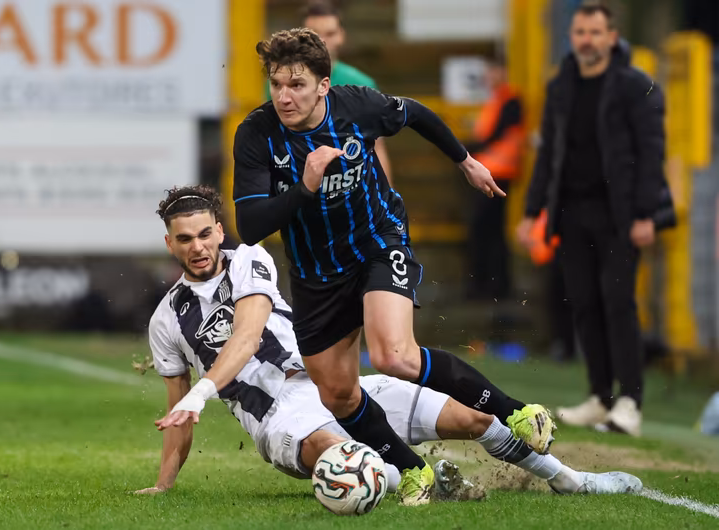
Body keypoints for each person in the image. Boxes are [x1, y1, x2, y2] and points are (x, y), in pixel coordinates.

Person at [136, 186, 642, 500]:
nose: (198, 247)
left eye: (205, 234)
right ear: (169, 244)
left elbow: (246, 337)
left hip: (335, 384)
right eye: (184, 239)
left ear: (218, 230)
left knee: (475, 420)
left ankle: (570, 479)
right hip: (279, 420)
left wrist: (202, 394)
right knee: (350, 463)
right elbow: (176, 415)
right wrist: (163, 483)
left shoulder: (249, 259)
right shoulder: (167, 320)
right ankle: (427, 483)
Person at [232, 27, 555, 504]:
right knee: (337, 396)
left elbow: (416, 113)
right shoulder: (256, 134)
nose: (284, 96)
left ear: (324, 85)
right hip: (317, 273)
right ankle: (412, 470)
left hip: (377, 242)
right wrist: (305, 186)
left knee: (394, 356)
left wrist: (465, 161)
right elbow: (251, 226)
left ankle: (516, 413)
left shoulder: (357, 105)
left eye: (296, 85)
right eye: (277, 84)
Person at [516, 3, 666, 437]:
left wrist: (645, 214)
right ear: (572, 37)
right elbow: (548, 154)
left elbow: (651, 154)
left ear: (612, 37)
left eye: (595, 32)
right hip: (571, 213)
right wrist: (532, 212)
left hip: (620, 216)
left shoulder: (636, 85)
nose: (586, 39)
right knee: (584, 305)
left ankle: (630, 402)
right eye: (580, 31)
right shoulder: (560, 85)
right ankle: (600, 396)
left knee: (619, 305)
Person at [300, 0, 394, 184]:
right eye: (314, 34)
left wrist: (389, 201)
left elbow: (377, 147)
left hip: (352, 187)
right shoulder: (281, 85)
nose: (322, 41)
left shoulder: (362, 84)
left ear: (341, 36)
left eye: (330, 33)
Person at [465, 56, 524, 300]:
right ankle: (492, 286)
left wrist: (464, 150)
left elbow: (491, 136)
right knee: (489, 230)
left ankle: (492, 286)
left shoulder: (509, 100)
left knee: (487, 230)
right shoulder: (497, 100)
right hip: (489, 172)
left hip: (497, 174)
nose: (489, 76)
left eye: (493, 71)